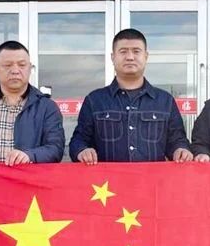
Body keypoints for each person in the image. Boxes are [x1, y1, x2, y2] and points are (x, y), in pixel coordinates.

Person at [69, 28, 193, 163]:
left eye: (136, 51)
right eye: (123, 51)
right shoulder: (95, 100)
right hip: (108, 177)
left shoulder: (165, 101)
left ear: (146, 56)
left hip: (153, 177)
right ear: (113, 57)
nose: (130, 57)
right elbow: (79, 140)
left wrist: (181, 150)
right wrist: (82, 150)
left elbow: (177, 140)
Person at [0, 40, 65, 164]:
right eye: (7, 65)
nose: (15, 70)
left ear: (30, 68)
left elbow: (55, 149)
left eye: (22, 65)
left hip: (29, 176)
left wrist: (30, 156)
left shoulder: (47, 107)